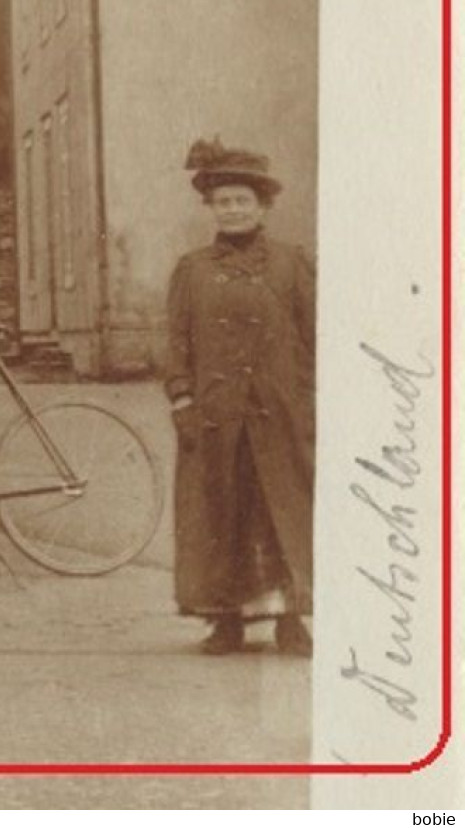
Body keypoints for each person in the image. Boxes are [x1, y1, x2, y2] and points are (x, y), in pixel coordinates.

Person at [165, 138, 315, 656]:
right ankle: (224, 619)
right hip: (215, 415)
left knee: (284, 512)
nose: (232, 209)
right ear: (211, 207)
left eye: (242, 201)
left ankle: (290, 619)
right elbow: (177, 343)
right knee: (218, 513)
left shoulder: (292, 265)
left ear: (263, 206)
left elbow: (316, 338)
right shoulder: (193, 269)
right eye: (223, 201)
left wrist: (314, 402)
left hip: (281, 414)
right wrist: (182, 400)